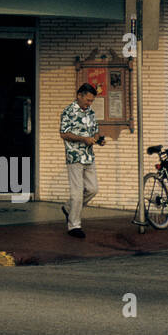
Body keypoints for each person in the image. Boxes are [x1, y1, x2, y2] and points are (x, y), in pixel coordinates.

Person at [59, 83, 105, 238]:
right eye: (88, 100)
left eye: (91, 101)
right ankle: (74, 226)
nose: (89, 103)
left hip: (89, 156)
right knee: (77, 193)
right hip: (74, 156)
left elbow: (95, 131)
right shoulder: (68, 111)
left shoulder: (91, 112)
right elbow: (64, 134)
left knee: (93, 189)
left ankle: (68, 208)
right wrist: (82, 139)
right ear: (79, 95)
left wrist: (98, 140)